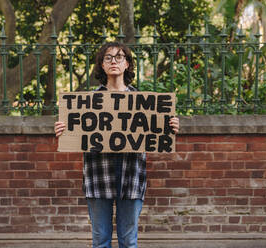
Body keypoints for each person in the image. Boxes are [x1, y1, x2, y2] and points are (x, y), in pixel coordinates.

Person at [54, 42, 179, 248]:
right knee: (100, 240)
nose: (114, 61)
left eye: (119, 57)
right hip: (98, 176)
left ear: (127, 64)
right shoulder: (87, 102)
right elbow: (75, 132)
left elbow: (157, 131)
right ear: (102, 65)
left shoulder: (143, 101)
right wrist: (63, 130)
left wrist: (170, 126)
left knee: (129, 241)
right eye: (108, 58)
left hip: (132, 177)